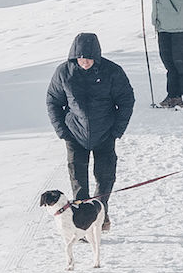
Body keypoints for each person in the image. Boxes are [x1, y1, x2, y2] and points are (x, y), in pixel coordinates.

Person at [44, 30, 135, 225]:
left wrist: (117, 129)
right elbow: (53, 101)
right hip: (74, 134)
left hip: (105, 133)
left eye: (89, 58)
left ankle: (101, 215)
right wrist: (62, 131)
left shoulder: (112, 71)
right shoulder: (63, 72)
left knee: (105, 177)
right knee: (78, 182)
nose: (85, 62)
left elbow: (126, 100)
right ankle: (82, 222)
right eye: (81, 58)